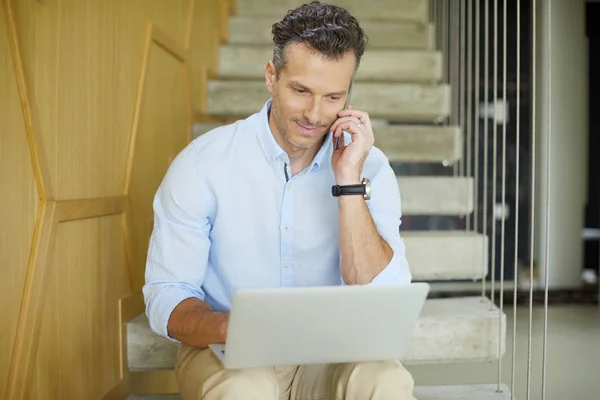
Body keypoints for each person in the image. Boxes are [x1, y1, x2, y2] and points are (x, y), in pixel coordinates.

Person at [143, 1, 416, 399]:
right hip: (228, 354)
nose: (314, 114)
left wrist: (349, 183)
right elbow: (167, 293)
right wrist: (233, 328)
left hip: (327, 354)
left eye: (333, 97)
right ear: (272, 77)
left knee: (386, 380)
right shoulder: (202, 165)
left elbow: (385, 294)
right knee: (244, 389)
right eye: (301, 90)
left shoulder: (368, 167)